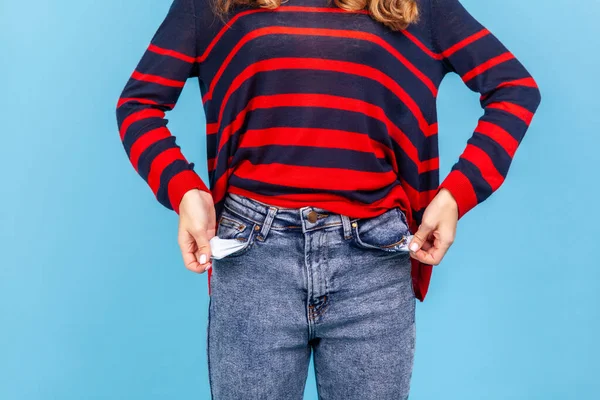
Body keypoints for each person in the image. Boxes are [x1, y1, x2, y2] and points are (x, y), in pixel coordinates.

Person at [115, 0, 541, 398]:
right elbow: (138, 104)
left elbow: (515, 89)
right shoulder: (212, 4)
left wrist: (454, 197)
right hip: (254, 260)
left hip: (374, 262)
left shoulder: (417, 5)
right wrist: (185, 190)